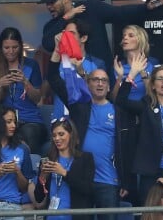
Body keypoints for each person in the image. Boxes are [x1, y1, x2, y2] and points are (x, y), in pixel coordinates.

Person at [47, 34, 128, 220]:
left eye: (104, 80)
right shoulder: (78, 106)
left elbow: (126, 147)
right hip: (81, 179)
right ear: (87, 84)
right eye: (95, 80)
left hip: (108, 180)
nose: (100, 83)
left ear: (109, 87)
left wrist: (125, 181)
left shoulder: (119, 112)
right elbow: (53, 78)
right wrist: (57, 50)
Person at [40, 0, 151, 86]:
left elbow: (120, 13)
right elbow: (48, 44)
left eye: (52, 2)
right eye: (47, 3)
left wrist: (146, 8)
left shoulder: (90, 8)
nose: (49, 6)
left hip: (103, 79)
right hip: (71, 82)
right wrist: (65, 18)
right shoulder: (52, 25)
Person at [115, 61, 163, 205]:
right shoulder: (145, 106)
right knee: (148, 212)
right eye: (160, 78)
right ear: (152, 85)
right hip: (152, 170)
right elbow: (120, 101)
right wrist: (132, 74)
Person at [112, 25, 154, 206]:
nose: (125, 38)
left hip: (145, 122)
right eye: (124, 35)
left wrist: (142, 73)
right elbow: (114, 99)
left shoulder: (152, 64)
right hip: (123, 122)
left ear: (140, 40)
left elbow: (154, 98)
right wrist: (123, 76)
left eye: (131, 35)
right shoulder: (118, 66)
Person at [0, 27, 46, 154]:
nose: (11, 51)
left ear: (20, 46)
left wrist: (25, 82)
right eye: (7, 48)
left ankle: (30, 171)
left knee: (29, 133)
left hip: (30, 120)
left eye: (15, 47)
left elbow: (37, 98)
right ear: (1, 48)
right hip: (4, 120)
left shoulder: (31, 65)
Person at [34, 117, 95, 220]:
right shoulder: (48, 160)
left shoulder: (85, 158)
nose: (57, 138)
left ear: (71, 135)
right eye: (54, 135)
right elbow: (38, 198)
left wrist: (64, 173)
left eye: (61, 134)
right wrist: (42, 178)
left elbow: (88, 189)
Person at [52, 18, 105, 119]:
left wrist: (82, 73)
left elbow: (99, 94)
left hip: (87, 120)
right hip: (60, 121)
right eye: (65, 34)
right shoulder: (57, 61)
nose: (66, 37)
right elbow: (47, 89)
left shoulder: (97, 64)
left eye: (71, 33)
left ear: (83, 38)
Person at [0, 105, 34, 220]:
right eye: (9, 122)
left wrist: (17, 171)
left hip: (13, 206)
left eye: (14, 122)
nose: (13, 126)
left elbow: (25, 187)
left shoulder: (22, 149)